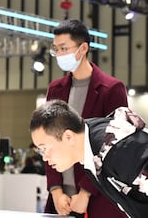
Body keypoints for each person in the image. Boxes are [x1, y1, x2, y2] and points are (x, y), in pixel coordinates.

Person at [45, 19, 128, 217]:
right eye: (56, 49)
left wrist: (86, 191)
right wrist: (55, 190)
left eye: (64, 48)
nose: (60, 55)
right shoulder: (55, 90)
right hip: (61, 200)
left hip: (98, 198)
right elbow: (48, 142)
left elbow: (114, 147)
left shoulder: (111, 90)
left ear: (83, 48)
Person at [29, 99, 148, 218]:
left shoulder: (117, 150)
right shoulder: (90, 147)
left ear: (68, 137)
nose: (44, 157)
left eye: (44, 148)